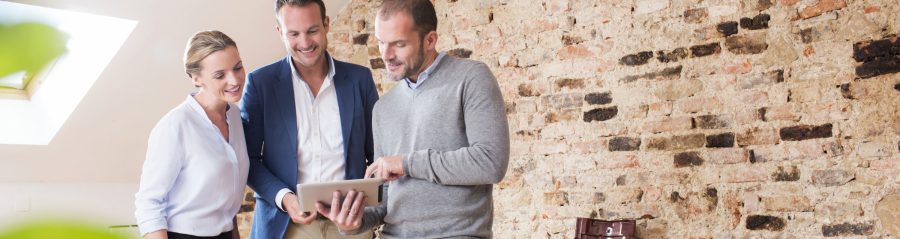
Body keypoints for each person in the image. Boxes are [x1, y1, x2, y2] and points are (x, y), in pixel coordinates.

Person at [316, 0, 510, 237]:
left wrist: (406, 163)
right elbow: (385, 197)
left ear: (430, 40)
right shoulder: (383, 108)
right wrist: (353, 223)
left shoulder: (471, 78)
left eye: (398, 44)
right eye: (380, 43)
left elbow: (491, 162)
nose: (386, 55)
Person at [240, 0, 378, 238]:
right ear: (280, 32)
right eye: (293, 33)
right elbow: (248, 159)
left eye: (312, 31)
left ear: (326, 24)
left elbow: (377, 153)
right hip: (286, 223)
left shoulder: (360, 79)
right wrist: (285, 198)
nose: (304, 43)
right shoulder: (260, 83)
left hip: (349, 224)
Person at [134, 30, 248, 239]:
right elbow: (149, 204)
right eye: (220, 75)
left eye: (237, 68)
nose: (234, 80)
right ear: (196, 78)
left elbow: (226, 199)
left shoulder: (235, 116)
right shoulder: (175, 126)